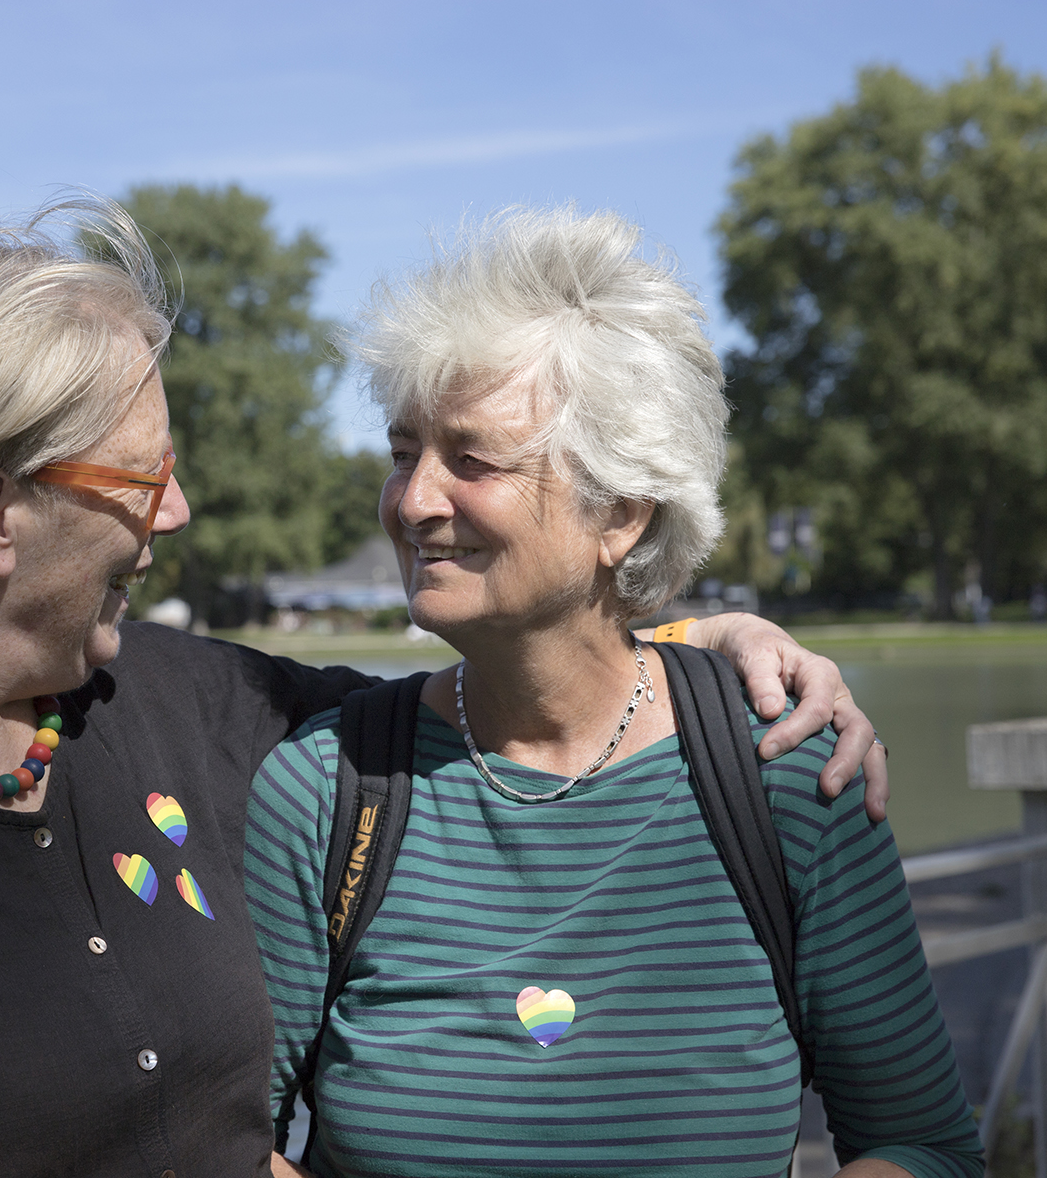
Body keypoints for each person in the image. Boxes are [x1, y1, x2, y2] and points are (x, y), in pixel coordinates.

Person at [0, 197, 887, 1178]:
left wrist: (699, 638)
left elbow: (519, 688)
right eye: (143, 477)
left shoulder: (184, 703)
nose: (177, 513)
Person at [248, 207, 979, 1177]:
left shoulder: (788, 774)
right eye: (402, 451)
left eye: (470, 459)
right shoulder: (323, 791)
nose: (414, 500)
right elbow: (225, 1143)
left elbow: (920, 1144)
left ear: (620, 514)